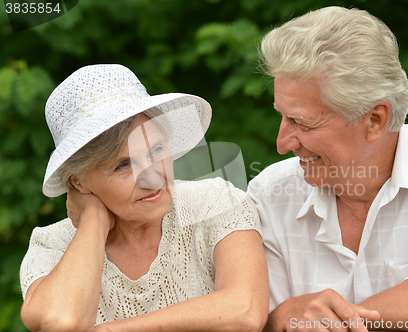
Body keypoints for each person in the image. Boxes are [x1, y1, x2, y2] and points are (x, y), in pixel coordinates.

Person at [247, 6, 408, 332]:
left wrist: (314, 321)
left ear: (375, 120)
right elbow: (256, 319)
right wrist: (280, 318)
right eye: (282, 115)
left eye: (301, 122)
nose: (282, 143)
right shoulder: (269, 195)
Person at [19, 64, 269, 332]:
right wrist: (94, 221)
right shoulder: (51, 244)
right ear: (79, 182)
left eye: (156, 150)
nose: (153, 179)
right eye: (122, 166)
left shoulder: (214, 202)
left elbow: (245, 312)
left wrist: (115, 329)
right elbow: (60, 322)